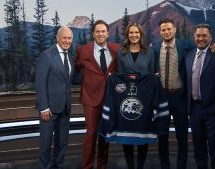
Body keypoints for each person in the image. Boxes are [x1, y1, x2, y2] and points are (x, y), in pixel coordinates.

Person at [152, 18, 215, 169]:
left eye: (169, 29)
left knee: (182, 136)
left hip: (180, 97)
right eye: (163, 29)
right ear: (160, 31)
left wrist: (213, 46)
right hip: (161, 98)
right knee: (162, 136)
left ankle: (181, 166)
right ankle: (165, 166)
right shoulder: (155, 48)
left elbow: (202, 48)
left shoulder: (186, 46)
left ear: (174, 30)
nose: (166, 32)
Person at [185, 24, 215, 169]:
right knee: (199, 148)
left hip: (214, 110)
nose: (201, 38)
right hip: (194, 110)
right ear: (194, 38)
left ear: (210, 37)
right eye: (198, 36)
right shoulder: (189, 56)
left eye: (204, 36)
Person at [75, 20, 120, 169]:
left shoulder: (116, 50)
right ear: (93, 34)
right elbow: (75, 71)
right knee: (91, 134)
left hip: (108, 99)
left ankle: (102, 166)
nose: (101, 34)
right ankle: (87, 166)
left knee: (104, 135)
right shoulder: (83, 50)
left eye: (103, 31)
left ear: (108, 33)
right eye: (98, 32)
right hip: (90, 99)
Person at [117, 23, 156, 169]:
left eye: (137, 33)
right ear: (127, 35)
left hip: (144, 99)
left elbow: (152, 75)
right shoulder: (121, 52)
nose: (134, 35)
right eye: (131, 33)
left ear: (141, 34)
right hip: (127, 99)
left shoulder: (149, 52)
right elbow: (120, 76)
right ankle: (130, 166)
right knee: (127, 134)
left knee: (143, 134)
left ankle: (140, 166)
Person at [35, 26, 74, 169]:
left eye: (69, 38)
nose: (67, 41)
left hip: (65, 108)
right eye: (64, 37)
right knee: (45, 144)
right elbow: (40, 83)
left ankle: (58, 166)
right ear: (57, 38)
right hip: (49, 109)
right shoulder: (47, 55)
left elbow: (69, 80)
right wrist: (43, 107)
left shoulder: (69, 56)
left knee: (62, 143)